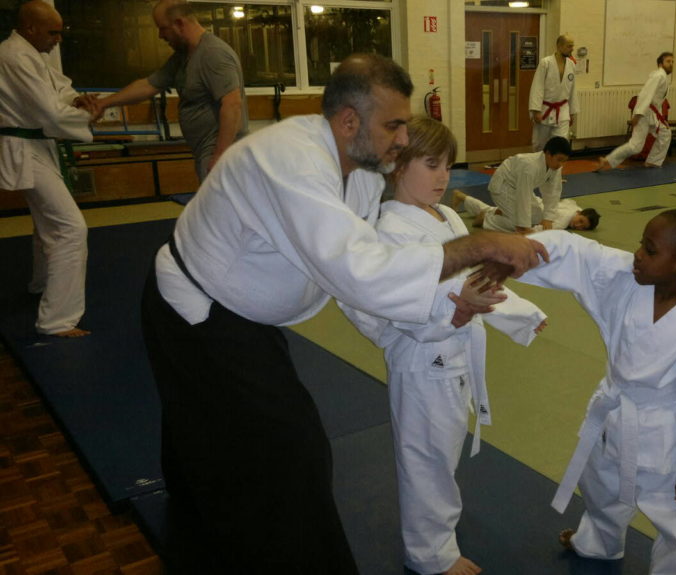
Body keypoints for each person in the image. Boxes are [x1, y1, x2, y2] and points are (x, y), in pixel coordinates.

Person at [139, 54, 548, 574]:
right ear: (350, 121)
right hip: (197, 308)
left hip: (240, 311)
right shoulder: (289, 160)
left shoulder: (359, 171)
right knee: (295, 449)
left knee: (201, 416)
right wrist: (477, 245)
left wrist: (449, 304)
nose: (403, 140)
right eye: (394, 125)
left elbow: (362, 281)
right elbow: (358, 271)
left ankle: (193, 502)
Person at [342, 117, 548, 575]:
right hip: (421, 358)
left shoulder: (447, 215)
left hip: (453, 354)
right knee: (425, 458)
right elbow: (398, 299)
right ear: (396, 165)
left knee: (443, 448)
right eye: (431, 165)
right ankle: (430, 554)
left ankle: (439, 521)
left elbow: (477, 278)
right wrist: (455, 310)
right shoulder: (390, 228)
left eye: (448, 166)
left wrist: (523, 315)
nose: (443, 177)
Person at [516, 209, 676, 574]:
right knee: (601, 489)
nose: (637, 255)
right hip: (613, 415)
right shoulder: (626, 281)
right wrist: (512, 251)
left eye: (649, 250)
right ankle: (599, 543)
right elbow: (581, 256)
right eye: (641, 245)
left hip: (665, 438)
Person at [0, 1, 97, 338]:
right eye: (53, 32)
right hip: (24, 147)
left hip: (36, 147)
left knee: (47, 223)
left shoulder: (31, 53)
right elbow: (48, 113)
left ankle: (41, 283)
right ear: (30, 28)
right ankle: (57, 320)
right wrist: (87, 116)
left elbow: (57, 88)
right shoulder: (14, 55)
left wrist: (75, 100)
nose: (58, 39)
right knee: (71, 228)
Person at [95, 0, 247, 181]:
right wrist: (104, 103)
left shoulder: (213, 54)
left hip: (221, 151)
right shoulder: (183, 56)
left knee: (223, 208)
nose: (160, 35)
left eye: (162, 28)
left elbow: (233, 104)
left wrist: (220, 156)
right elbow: (149, 85)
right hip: (205, 150)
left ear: (179, 23)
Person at [597, 52, 674, 171]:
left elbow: (656, 101)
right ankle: (607, 160)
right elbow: (645, 95)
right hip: (644, 114)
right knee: (636, 146)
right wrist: (637, 115)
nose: (671, 64)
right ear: (660, 64)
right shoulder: (658, 76)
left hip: (652, 114)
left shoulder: (662, 77)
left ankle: (653, 162)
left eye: (672, 62)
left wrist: (662, 120)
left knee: (665, 133)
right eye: (668, 61)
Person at [486, 136, 572, 234]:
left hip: (520, 187)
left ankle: (502, 211)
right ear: (548, 154)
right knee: (516, 225)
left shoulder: (555, 167)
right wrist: (524, 227)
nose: (561, 164)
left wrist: (548, 218)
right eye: (559, 159)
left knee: (538, 217)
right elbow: (523, 196)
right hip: (503, 186)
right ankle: (487, 218)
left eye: (564, 161)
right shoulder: (530, 166)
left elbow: (552, 192)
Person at [452, 190, 600, 232]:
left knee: (492, 209)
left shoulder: (574, 208)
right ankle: (485, 219)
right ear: (579, 214)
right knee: (512, 226)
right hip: (529, 213)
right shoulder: (563, 222)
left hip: (530, 202)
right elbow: (542, 229)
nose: (578, 226)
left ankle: (463, 198)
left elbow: (572, 203)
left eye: (583, 227)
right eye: (581, 221)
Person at [529, 34, 578, 152]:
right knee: (540, 145)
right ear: (559, 46)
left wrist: (571, 112)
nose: (572, 49)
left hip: (563, 110)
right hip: (545, 109)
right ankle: (539, 169)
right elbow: (537, 86)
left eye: (572, 46)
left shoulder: (571, 65)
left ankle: (556, 170)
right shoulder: (545, 63)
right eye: (569, 46)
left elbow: (572, 89)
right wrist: (536, 110)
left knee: (561, 145)